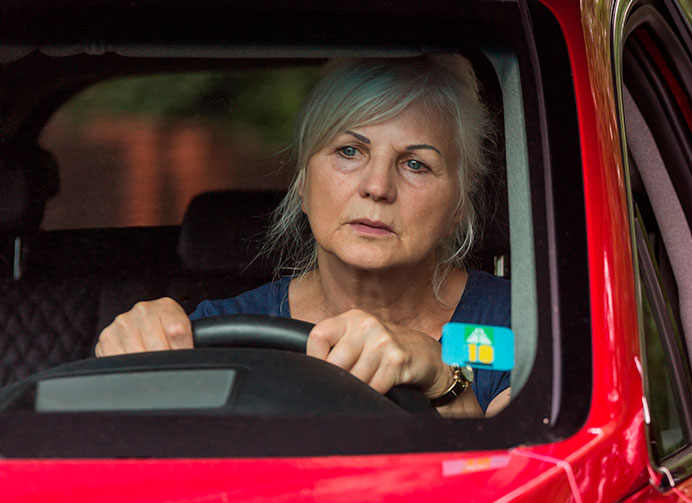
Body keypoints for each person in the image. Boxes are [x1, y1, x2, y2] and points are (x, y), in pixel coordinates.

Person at [95, 55, 510, 417]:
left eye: (416, 164)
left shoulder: (526, 327)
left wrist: (444, 381)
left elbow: (531, 488)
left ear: (459, 203)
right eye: (350, 151)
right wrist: (125, 365)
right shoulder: (214, 335)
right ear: (302, 183)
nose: (378, 187)